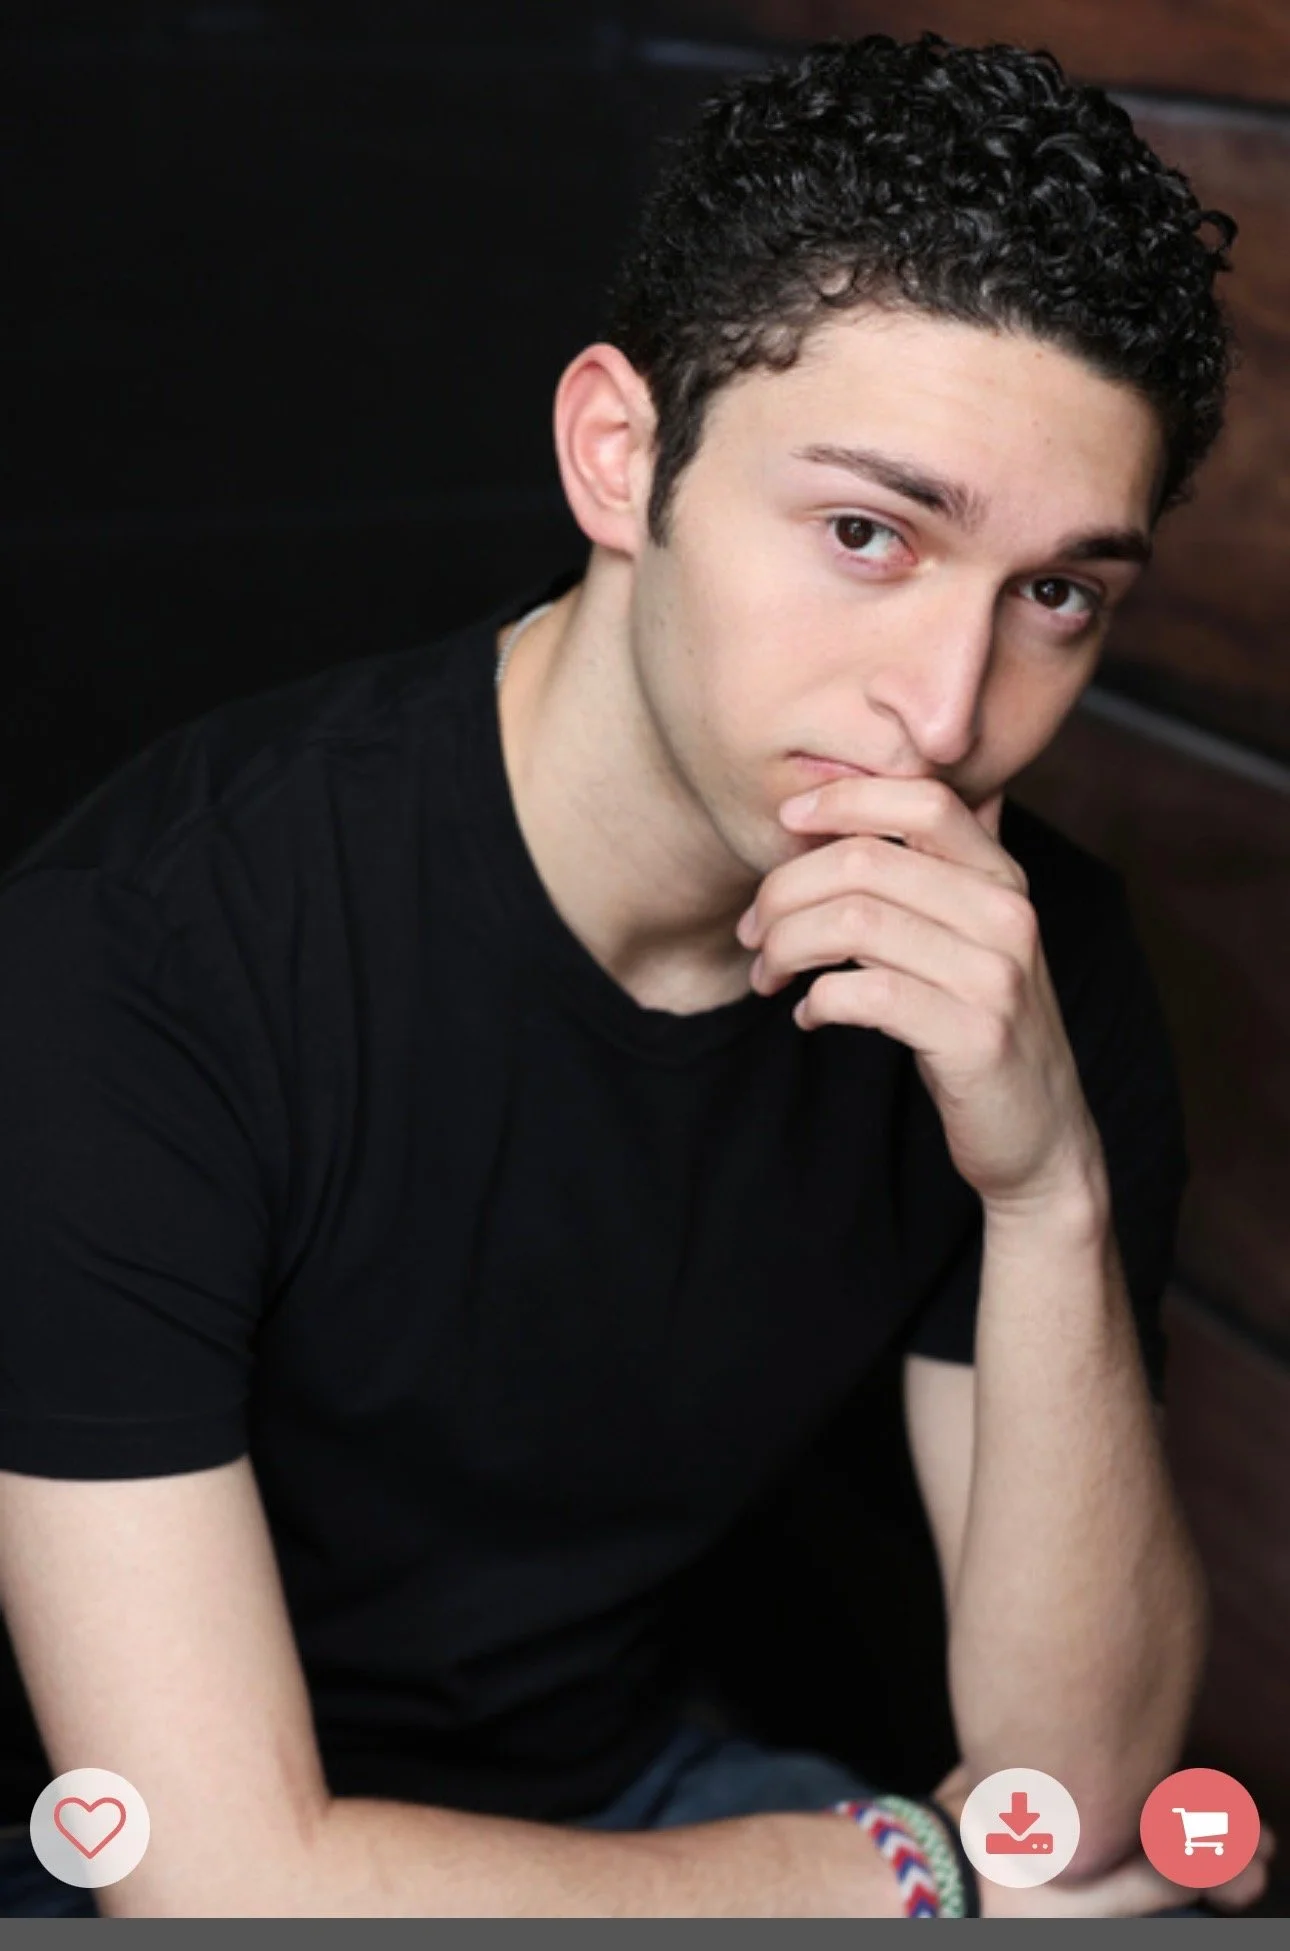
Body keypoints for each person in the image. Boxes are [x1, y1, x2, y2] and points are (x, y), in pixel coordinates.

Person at [0, 30, 1274, 1918]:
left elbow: (1073, 1804)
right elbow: (213, 1880)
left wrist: (1045, 1186)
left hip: (632, 1787)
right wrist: (880, 1875)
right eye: (867, 533)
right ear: (621, 454)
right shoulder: (147, 952)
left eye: (1055, 594)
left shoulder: (1014, 954)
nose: (942, 713)